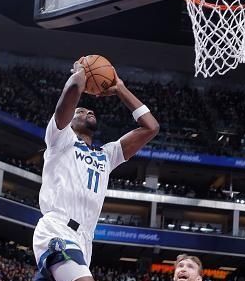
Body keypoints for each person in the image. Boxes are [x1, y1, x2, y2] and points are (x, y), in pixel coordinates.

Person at [32, 59, 159, 281]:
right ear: (69, 119)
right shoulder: (60, 139)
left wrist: (120, 88)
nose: (88, 111)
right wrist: (83, 70)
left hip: (85, 239)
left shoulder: (106, 155)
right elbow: (72, 89)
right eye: (80, 110)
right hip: (57, 228)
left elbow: (151, 127)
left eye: (89, 110)